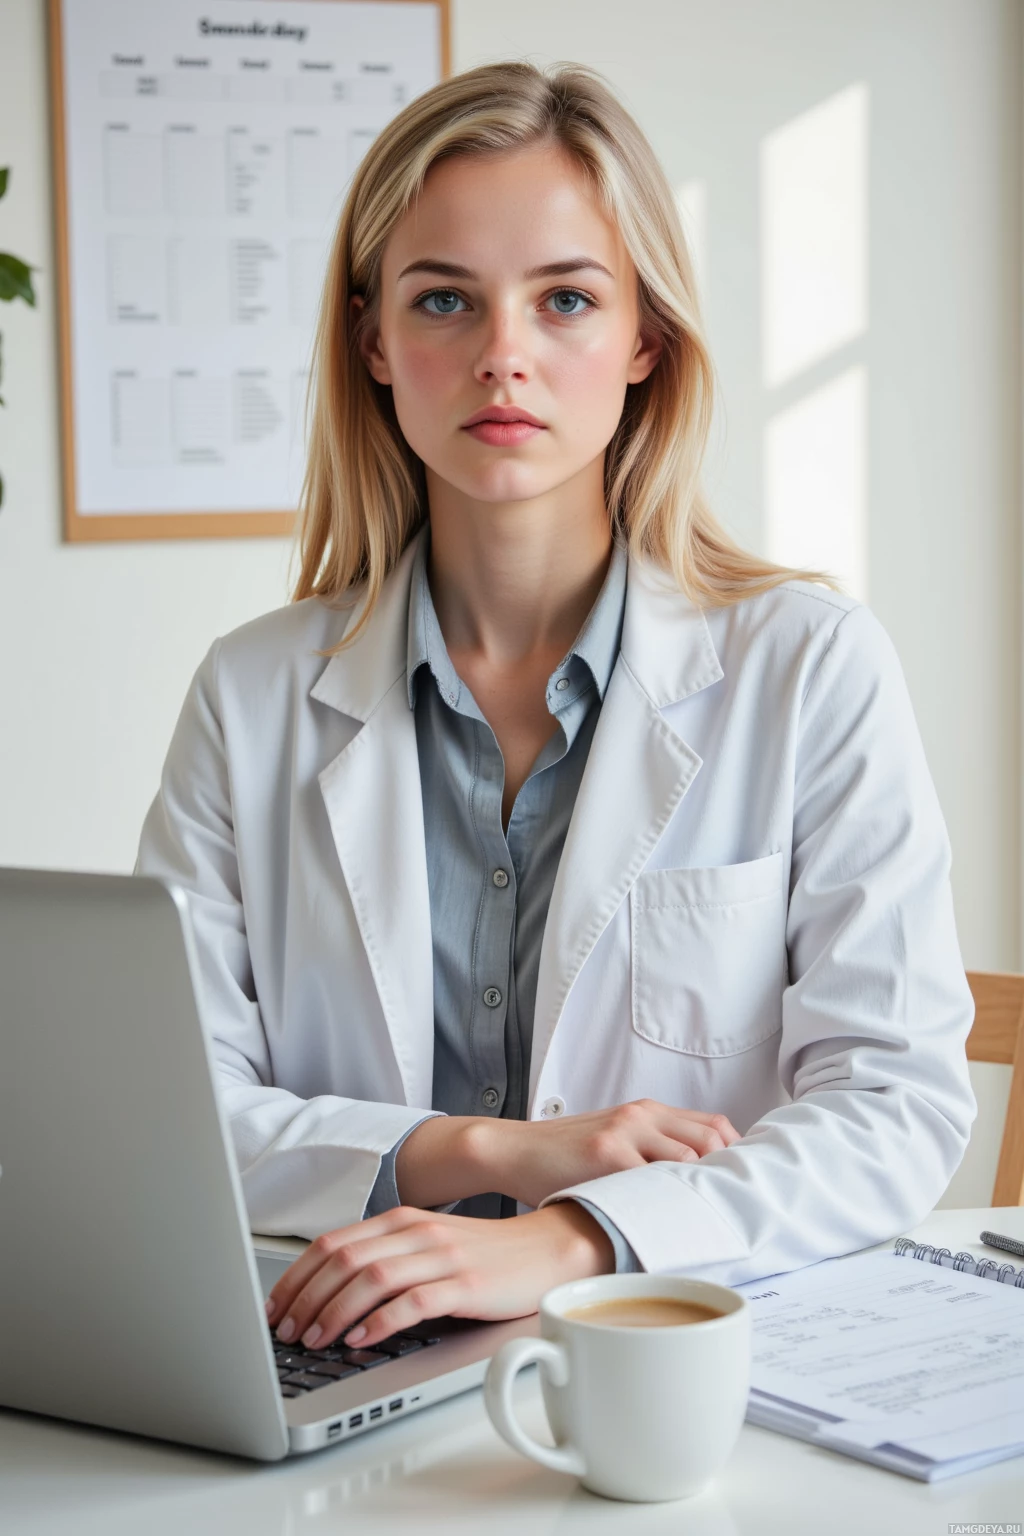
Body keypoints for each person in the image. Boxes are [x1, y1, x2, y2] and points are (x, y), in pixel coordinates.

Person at [136, 61, 976, 1358]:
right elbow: (170, 1109)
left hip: (684, 1359)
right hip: (350, 1358)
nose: (502, 357)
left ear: (645, 336)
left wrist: (574, 1234)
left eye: (566, 299)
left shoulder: (809, 664)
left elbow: (895, 1105)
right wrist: (477, 1154)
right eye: (443, 301)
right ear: (372, 341)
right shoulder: (251, 694)